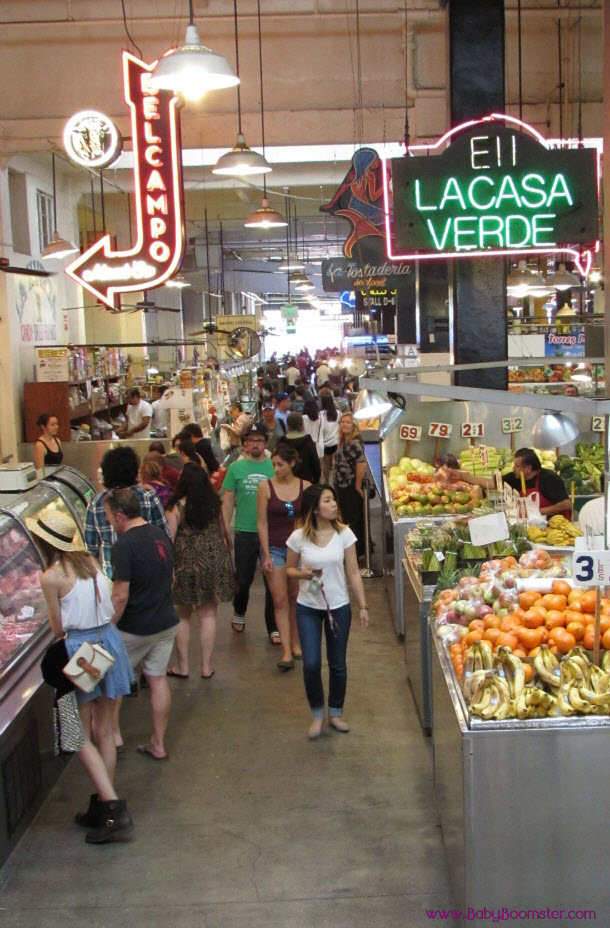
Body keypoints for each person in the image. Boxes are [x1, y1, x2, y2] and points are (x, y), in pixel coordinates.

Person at [31, 508, 134, 843]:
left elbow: (58, 627)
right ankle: (102, 807)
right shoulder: (89, 563)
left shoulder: (51, 577)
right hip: (108, 643)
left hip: (80, 651)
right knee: (104, 730)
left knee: (76, 733)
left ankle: (114, 809)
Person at [286, 485, 369, 740]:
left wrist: (363, 606)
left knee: (337, 664)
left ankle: (335, 712)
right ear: (314, 508)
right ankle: (317, 713)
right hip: (308, 607)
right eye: (328, 500)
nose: (334, 504)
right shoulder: (299, 537)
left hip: (339, 606)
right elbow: (288, 569)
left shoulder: (345, 534)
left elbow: (353, 571)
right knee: (311, 664)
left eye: (334, 500)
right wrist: (302, 573)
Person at [105, 488, 179, 761]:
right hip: (166, 621)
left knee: (115, 683)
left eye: (109, 516)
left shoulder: (123, 545)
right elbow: (171, 579)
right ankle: (157, 743)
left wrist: (107, 628)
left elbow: (120, 595)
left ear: (120, 515)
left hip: (135, 627)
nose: (109, 521)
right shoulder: (159, 534)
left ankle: (112, 736)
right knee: (157, 680)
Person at [165, 463, 235, 680]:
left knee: (183, 616)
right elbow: (223, 531)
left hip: (184, 562)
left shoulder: (175, 505)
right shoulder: (215, 503)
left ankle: (183, 666)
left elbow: (170, 538)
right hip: (213, 561)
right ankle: (206, 667)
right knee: (208, 616)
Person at [221, 427, 278, 640]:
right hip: (244, 531)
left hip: (270, 533)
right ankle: (239, 610)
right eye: (252, 440)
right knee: (243, 579)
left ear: (265, 443)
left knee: (271, 581)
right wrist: (225, 529)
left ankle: (273, 626)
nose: (255, 444)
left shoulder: (273, 467)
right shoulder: (235, 468)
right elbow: (228, 501)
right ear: (246, 444)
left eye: (260, 440)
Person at [257, 447, 310, 670]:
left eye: (281, 464)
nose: (276, 469)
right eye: (274, 465)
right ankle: (286, 651)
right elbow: (262, 523)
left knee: (295, 597)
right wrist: (266, 554)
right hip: (275, 549)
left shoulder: (305, 487)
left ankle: (295, 643)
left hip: (298, 550)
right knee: (279, 600)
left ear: (292, 464)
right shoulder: (265, 487)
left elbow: (308, 521)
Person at [85, 446, 170, 579]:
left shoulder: (96, 502)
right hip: (148, 573)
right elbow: (164, 535)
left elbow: (90, 550)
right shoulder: (148, 496)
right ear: (134, 471)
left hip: (113, 575)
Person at [448, 447, 572, 518]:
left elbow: (567, 504)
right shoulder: (515, 477)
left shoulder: (550, 479)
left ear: (528, 468)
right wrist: (460, 475)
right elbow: (490, 483)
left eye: (517, 466)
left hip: (555, 526)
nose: (513, 468)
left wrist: (539, 512)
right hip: (532, 524)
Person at [333, 413, 367, 557]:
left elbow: (361, 464)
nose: (345, 424)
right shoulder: (343, 441)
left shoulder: (354, 443)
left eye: (348, 422)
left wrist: (357, 485)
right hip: (341, 486)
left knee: (353, 519)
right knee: (346, 518)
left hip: (349, 486)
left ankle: (357, 550)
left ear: (354, 426)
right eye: (343, 422)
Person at [278, 412, 321, 485]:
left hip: (285, 483)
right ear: (302, 425)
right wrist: (315, 481)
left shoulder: (281, 443)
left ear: (287, 425)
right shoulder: (308, 443)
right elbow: (316, 466)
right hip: (305, 482)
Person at [319, 392, 340, 483]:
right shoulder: (338, 413)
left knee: (326, 464)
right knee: (336, 463)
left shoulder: (320, 414)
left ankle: (327, 481)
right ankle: (336, 481)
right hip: (336, 442)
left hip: (325, 443)